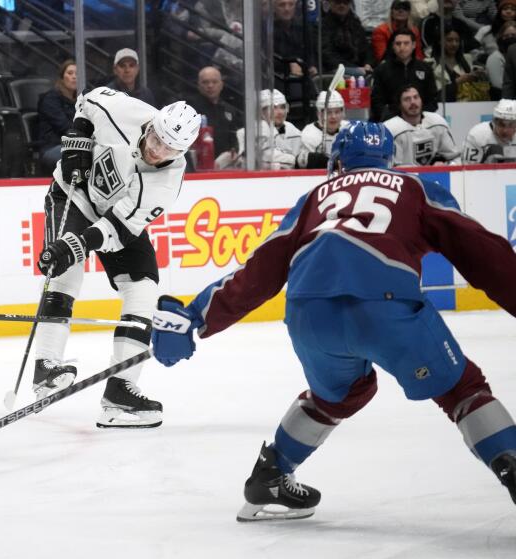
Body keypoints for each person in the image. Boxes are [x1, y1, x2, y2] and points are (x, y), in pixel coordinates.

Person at [150, 120, 516, 520]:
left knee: (338, 393)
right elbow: (482, 250)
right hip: (385, 303)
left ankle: (270, 475)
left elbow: (258, 272)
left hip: (308, 312)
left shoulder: (314, 198)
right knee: (462, 389)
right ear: (387, 161)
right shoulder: (414, 187)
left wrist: (195, 319)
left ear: (338, 162)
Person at [33, 87, 200, 428]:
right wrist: (78, 137)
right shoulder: (128, 110)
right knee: (66, 273)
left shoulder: (166, 181)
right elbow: (88, 99)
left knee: (143, 289)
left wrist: (76, 245)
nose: (155, 151)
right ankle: (46, 367)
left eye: (168, 149)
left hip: (114, 218)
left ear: (181, 152)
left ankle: (121, 388)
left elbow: (117, 228)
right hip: (73, 193)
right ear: (151, 124)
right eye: (155, 139)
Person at [370, 29, 438, 121]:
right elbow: (377, 102)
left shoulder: (425, 69)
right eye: (398, 44)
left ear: (413, 45)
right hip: (391, 122)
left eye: (406, 43)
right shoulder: (381, 70)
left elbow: (432, 100)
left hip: (420, 121)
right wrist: (391, 118)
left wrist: (418, 117)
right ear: (393, 46)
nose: (402, 47)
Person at [384, 85, 461, 165]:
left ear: (421, 100)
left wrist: (446, 166)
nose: (413, 102)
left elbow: (455, 158)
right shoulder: (390, 130)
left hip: (435, 176)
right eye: (407, 99)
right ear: (399, 105)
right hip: (405, 177)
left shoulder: (437, 123)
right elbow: (386, 168)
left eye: (416, 97)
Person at [226, 88, 300, 170]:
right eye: (274, 108)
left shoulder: (294, 131)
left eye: (282, 107)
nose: (280, 112)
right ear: (261, 112)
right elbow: (260, 158)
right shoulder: (247, 133)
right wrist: (297, 161)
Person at [428, 26, 490, 101]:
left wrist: (478, 76)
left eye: (457, 40)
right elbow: (434, 95)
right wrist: (459, 81)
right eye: (449, 40)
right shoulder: (430, 63)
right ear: (440, 41)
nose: (454, 44)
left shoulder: (467, 59)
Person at [36, 59, 77, 172]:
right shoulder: (50, 99)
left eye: (77, 74)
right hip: (52, 146)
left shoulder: (81, 100)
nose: (74, 76)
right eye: (70, 73)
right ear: (62, 77)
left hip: (76, 144)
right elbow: (65, 127)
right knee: (81, 156)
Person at [190, 66, 237, 157]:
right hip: (201, 163)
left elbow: (234, 137)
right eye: (205, 82)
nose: (210, 86)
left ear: (221, 85)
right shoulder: (191, 110)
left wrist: (234, 150)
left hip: (226, 164)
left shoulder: (229, 110)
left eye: (214, 82)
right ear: (198, 85)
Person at [296, 90, 348, 169]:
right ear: (318, 114)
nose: (333, 116)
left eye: (337, 112)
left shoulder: (350, 129)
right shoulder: (309, 134)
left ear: (342, 112)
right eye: (328, 112)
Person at [320, 0, 373, 76]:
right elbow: (327, 55)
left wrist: (368, 63)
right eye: (338, 2)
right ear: (331, 3)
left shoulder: (355, 23)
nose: (342, 5)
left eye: (346, 2)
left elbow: (366, 48)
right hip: (336, 68)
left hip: (359, 67)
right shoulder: (323, 26)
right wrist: (355, 68)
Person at [486, 20, 516, 98]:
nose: (510, 39)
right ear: (500, 38)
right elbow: (499, 86)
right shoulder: (495, 58)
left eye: (513, 36)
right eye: (506, 36)